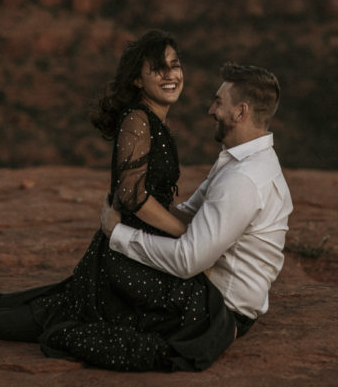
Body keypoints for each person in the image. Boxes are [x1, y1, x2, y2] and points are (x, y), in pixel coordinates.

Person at [0, 30, 237, 372]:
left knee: (55, 304)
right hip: (125, 257)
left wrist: (188, 230)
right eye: (158, 68)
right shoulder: (138, 119)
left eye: (175, 65)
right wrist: (184, 233)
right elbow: (133, 195)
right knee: (54, 314)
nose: (171, 74)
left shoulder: (153, 120)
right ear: (137, 80)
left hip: (137, 249)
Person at [102, 61, 293, 331]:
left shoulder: (243, 179)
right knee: (112, 272)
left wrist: (118, 234)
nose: (210, 110)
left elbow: (186, 260)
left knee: (116, 271)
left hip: (221, 309)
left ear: (240, 113)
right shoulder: (238, 160)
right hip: (207, 289)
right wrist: (139, 199)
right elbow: (189, 213)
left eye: (218, 102)